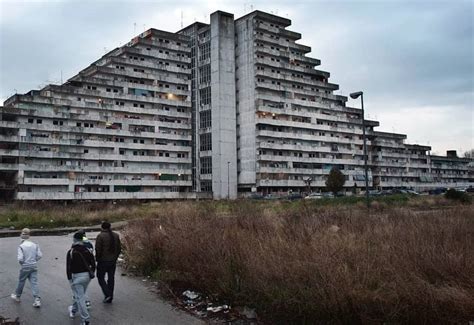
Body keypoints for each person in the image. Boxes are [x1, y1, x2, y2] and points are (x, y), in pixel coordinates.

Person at [67, 232, 95, 325]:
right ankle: (74, 310)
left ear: (74, 240)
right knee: (79, 295)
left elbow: (68, 267)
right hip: (87, 276)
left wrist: (70, 279)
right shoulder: (87, 250)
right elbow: (93, 263)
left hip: (76, 277)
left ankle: (86, 320)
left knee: (80, 297)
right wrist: (91, 273)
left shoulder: (71, 251)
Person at [11, 228, 42, 308]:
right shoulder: (35, 245)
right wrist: (34, 260)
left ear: (21, 236)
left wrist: (23, 263)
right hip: (34, 265)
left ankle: (17, 296)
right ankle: (37, 299)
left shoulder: (21, 246)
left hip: (25, 266)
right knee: (34, 282)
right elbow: (39, 255)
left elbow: (20, 259)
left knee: (21, 281)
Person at [95, 221, 121, 303]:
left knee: (100, 277)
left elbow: (98, 249)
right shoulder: (116, 235)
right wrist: (115, 257)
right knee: (111, 278)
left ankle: (107, 294)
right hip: (112, 261)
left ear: (102, 227)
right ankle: (110, 295)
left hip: (103, 261)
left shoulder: (100, 236)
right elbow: (119, 248)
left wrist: (97, 259)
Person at [75, 229, 93, 309]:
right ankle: (86, 301)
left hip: (80, 268)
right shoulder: (89, 243)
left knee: (79, 287)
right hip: (88, 267)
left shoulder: (78, 245)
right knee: (84, 286)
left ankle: (84, 302)